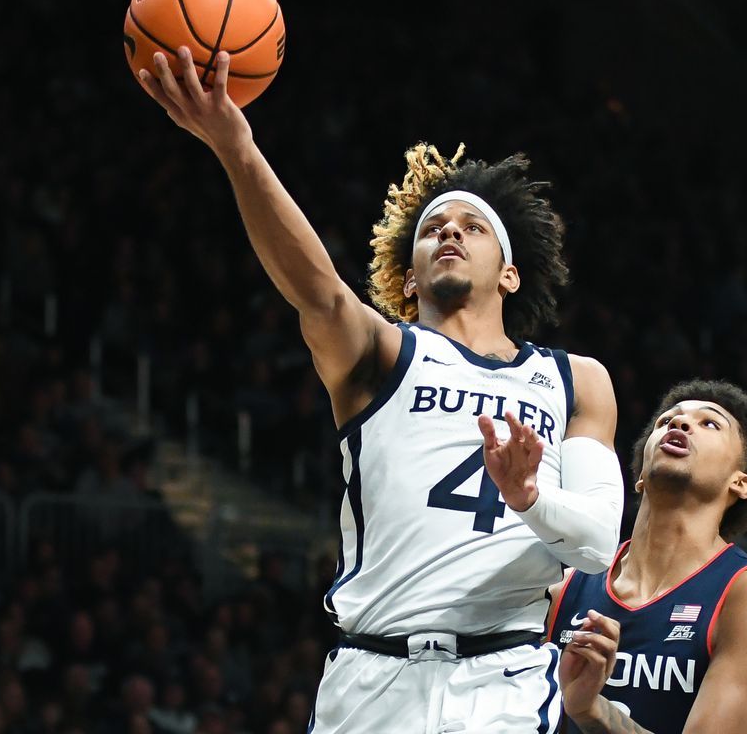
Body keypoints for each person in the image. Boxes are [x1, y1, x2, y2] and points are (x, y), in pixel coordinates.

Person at [136, 47, 624, 732]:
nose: (450, 230)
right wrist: (236, 146)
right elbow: (319, 292)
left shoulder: (577, 380)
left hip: (504, 676)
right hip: (370, 677)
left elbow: (601, 542)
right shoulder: (382, 352)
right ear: (411, 279)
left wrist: (531, 495)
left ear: (509, 275)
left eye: (473, 227)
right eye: (432, 230)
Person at [550, 379, 747, 733]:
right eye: (667, 421)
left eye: (709, 423)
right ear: (639, 476)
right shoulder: (565, 588)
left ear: (740, 483)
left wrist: (591, 710)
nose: (680, 424)